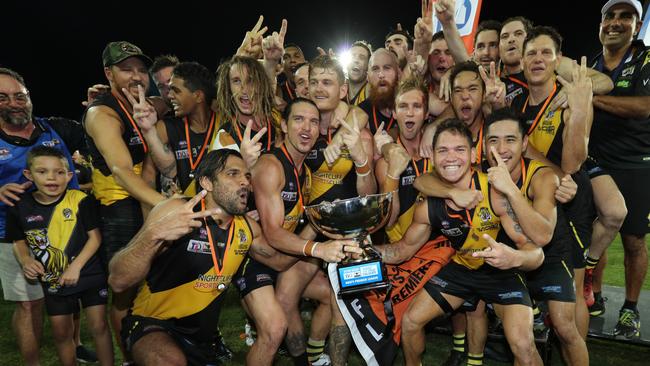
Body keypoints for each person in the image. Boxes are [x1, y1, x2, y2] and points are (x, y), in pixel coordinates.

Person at [377, 118, 544, 366]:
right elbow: (402, 250)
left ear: (473, 155)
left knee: (522, 344)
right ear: (432, 157)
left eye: (459, 150)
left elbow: (536, 253)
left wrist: (514, 258)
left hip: (502, 272)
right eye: (443, 150)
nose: (451, 158)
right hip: (462, 269)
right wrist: (365, 250)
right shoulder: (427, 205)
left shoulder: (494, 191)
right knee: (411, 322)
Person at [109, 149, 298, 366]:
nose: (244, 182)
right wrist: (153, 235)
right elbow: (118, 279)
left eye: (247, 176)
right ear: (207, 182)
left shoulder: (246, 228)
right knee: (169, 361)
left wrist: (315, 232)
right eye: (233, 174)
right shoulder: (176, 211)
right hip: (152, 325)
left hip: (202, 342)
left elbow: (279, 261)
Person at [247, 98, 360, 365]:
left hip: (285, 254)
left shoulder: (305, 170)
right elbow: (273, 233)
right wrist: (318, 247)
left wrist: (325, 221)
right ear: (284, 125)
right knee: (274, 329)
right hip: (255, 259)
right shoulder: (271, 166)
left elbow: (292, 222)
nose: (306, 128)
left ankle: (309, 357)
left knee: (333, 296)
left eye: (313, 121)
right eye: (298, 119)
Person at [82, 40, 168, 362]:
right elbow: (119, 169)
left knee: (154, 286)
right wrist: (163, 206)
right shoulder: (102, 113)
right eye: (126, 69)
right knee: (124, 294)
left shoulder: (148, 103)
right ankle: (130, 357)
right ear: (109, 73)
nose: (136, 76)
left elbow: (166, 102)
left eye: (141, 70)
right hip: (118, 210)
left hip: (144, 201)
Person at [511, 26, 596, 340]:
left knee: (570, 289)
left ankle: (576, 350)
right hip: (536, 202)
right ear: (521, 61)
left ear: (558, 60)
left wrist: (577, 113)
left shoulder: (572, 98)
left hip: (570, 201)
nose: (537, 59)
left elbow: (574, 163)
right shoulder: (517, 103)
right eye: (531, 53)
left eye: (546, 52)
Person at [0, 67, 88, 366]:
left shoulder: (57, 128)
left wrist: (98, 108)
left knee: (71, 292)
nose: (14, 103)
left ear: (29, 97)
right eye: (3, 97)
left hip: (68, 227)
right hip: (14, 236)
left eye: (19, 96)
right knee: (29, 304)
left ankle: (76, 346)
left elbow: (99, 133)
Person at [9, 146, 113, 366]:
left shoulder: (81, 200)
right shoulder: (20, 206)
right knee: (61, 334)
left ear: (69, 176)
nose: (51, 178)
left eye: (58, 172)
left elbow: (95, 238)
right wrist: (26, 260)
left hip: (89, 274)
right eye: (43, 171)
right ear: (29, 174)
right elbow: (18, 240)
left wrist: (76, 267)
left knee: (99, 327)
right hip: (53, 279)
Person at [587, 0, 650, 338]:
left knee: (633, 241)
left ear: (637, 26)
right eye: (609, 16)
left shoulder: (646, 59)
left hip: (635, 162)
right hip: (595, 161)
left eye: (626, 16)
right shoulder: (593, 63)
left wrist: (588, 97)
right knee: (598, 233)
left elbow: (644, 107)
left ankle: (630, 307)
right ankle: (594, 297)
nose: (615, 22)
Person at [358, 48, 402, 135]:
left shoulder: (410, 106)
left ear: (398, 73)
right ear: (368, 77)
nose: (381, 75)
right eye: (375, 69)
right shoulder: (361, 110)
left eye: (387, 68)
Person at [346, 41, 372, 106]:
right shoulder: (337, 90)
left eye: (362, 57)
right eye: (352, 56)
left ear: (368, 65)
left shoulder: (375, 94)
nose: (356, 60)